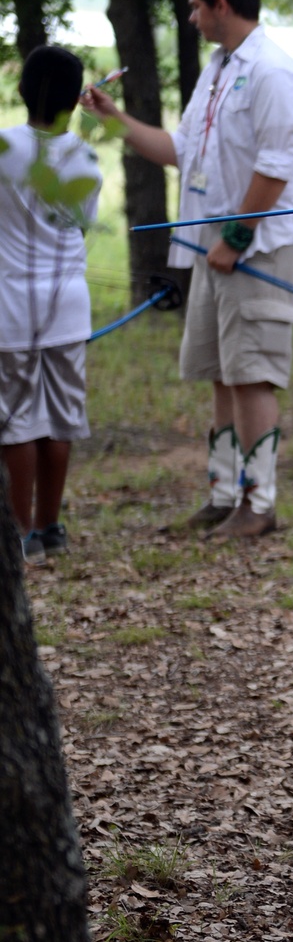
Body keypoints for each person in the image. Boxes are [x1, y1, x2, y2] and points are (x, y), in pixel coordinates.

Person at [82, 0, 293, 539]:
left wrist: (236, 238)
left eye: (193, 6)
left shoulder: (273, 72)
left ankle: (258, 506)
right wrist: (114, 120)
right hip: (213, 249)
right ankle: (221, 495)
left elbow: (277, 164)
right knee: (221, 371)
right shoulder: (218, 68)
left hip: (256, 249)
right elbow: (180, 149)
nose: (191, 18)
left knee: (252, 374)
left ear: (220, 4)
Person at [0, 45, 103, 564]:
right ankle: (50, 527)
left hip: (11, 306)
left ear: (21, 91)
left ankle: (19, 537)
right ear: (74, 99)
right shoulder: (87, 157)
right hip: (67, 304)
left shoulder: (4, 147)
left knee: (15, 419)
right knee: (61, 416)